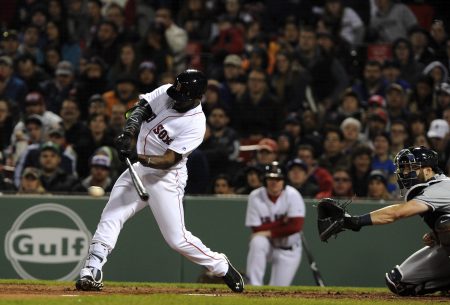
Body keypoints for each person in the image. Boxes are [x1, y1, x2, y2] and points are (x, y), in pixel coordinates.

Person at [75, 69, 244, 293]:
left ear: (197, 97)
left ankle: (221, 266)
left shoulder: (196, 124)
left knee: (177, 239)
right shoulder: (167, 91)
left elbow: (168, 160)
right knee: (111, 216)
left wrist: (137, 156)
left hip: (166, 178)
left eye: (182, 97)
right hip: (138, 171)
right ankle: (92, 269)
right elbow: (139, 110)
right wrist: (128, 134)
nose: (175, 99)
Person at [332, 146, 450, 296]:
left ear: (427, 170)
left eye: (411, 168)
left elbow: (396, 213)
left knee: (446, 225)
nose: (405, 173)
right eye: (404, 169)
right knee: (399, 282)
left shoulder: (442, 186)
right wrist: (436, 234)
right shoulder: (429, 188)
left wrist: (356, 221)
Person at [245, 161, 305, 286]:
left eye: (278, 179)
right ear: (265, 180)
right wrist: (282, 222)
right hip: (268, 245)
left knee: (278, 291)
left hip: (288, 249)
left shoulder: (293, 195)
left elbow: (296, 226)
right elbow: (256, 230)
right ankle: (253, 285)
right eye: (271, 178)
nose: (274, 182)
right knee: (257, 241)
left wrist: (267, 231)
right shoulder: (255, 196)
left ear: (284, 181)